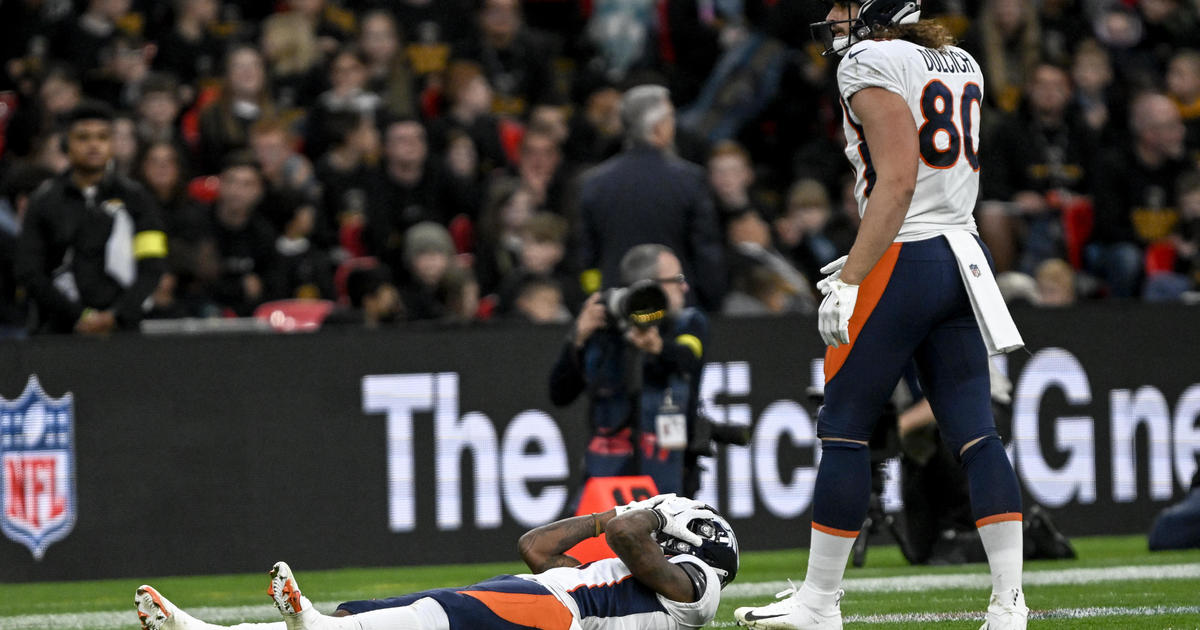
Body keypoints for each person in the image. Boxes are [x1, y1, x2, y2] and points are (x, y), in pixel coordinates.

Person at [734, 1, 1029, 628]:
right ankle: (1009, 605)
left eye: (844, 7)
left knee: (843, 427)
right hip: (963, 257)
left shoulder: (869, 58)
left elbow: (897, 181)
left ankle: (819, 603)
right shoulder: (961, 58)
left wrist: (851, 276)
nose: (834, 21)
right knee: (979, 436)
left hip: (907, 256)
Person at [134, 494, 738, 630]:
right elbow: (536, 547)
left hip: (563, 616)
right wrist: (615, 514)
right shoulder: (655, 566)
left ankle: (312, 626)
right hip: (542, 598)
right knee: (356, 616)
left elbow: (633, 536)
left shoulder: (699, 588)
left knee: (431, 616)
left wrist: (653, 513)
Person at [548, 244, 708, 497]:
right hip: (606, 480)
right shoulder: (604, 329)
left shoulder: (689, 323)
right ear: (649, 286)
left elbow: (687, 359)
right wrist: (577, 339)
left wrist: (657, 347)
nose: (684, 287)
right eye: (676, 280)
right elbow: (560, 393)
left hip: (671, 480)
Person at [15, 102, 167, 334]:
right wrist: (78, 315)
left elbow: (152, 263)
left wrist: (116, 314)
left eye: (102, 137)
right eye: (83, 138)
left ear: (112, 145)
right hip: (59, 332)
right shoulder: (44, 201)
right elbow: (30, 271)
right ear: (67, 144)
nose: (93, 145)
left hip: (123, 332)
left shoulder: (137, 199)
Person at [577, 84, 726, 311]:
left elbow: (585, 258)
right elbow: (706, 254)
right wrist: (711, 302)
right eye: (671, 118)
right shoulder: (690, 180)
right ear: (658, 127)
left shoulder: (594, 184)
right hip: (677, 309)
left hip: (617, 309)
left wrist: (596, 298)